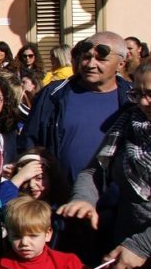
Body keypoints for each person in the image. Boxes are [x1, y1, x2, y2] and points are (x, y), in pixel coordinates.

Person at [58, 63, 151, 269]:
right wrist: (84, 198)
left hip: (137, 248)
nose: (143, 102)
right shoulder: (128, 123)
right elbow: (95, 170)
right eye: (138, 93)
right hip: (132, 258)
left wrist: (142, 245)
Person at [24, 32, 132, 186]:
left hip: (118, 198)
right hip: (61, 196)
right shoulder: (53, 95)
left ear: (121, 63)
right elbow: (29, 142)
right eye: (86, 57)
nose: (90, 64)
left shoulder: (135, 99)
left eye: (101, 59)